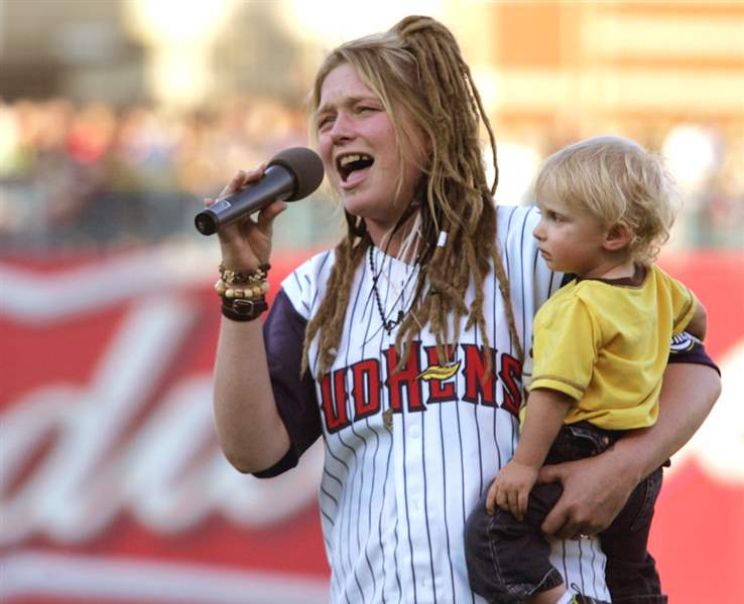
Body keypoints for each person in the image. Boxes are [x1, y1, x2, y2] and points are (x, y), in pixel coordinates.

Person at [207, 16, 721, 604]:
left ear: (428, 128)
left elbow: (694, 369)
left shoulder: (535, 247)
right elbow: (255, 452)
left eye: (362, 109)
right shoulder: (314, 292)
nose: (337, 132)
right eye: (325, 119)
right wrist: (242, 286)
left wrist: (624, 467)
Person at [464, 136, 707, 604]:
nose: (539, 230)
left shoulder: (574, 307)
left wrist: (523, 465)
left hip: (575, 449)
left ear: (613, 235)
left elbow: (553, 394)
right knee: (629, 567)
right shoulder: (657, 287)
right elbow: (698, 322)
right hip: (640, 469)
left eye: (556, 219)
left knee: (493, 536)